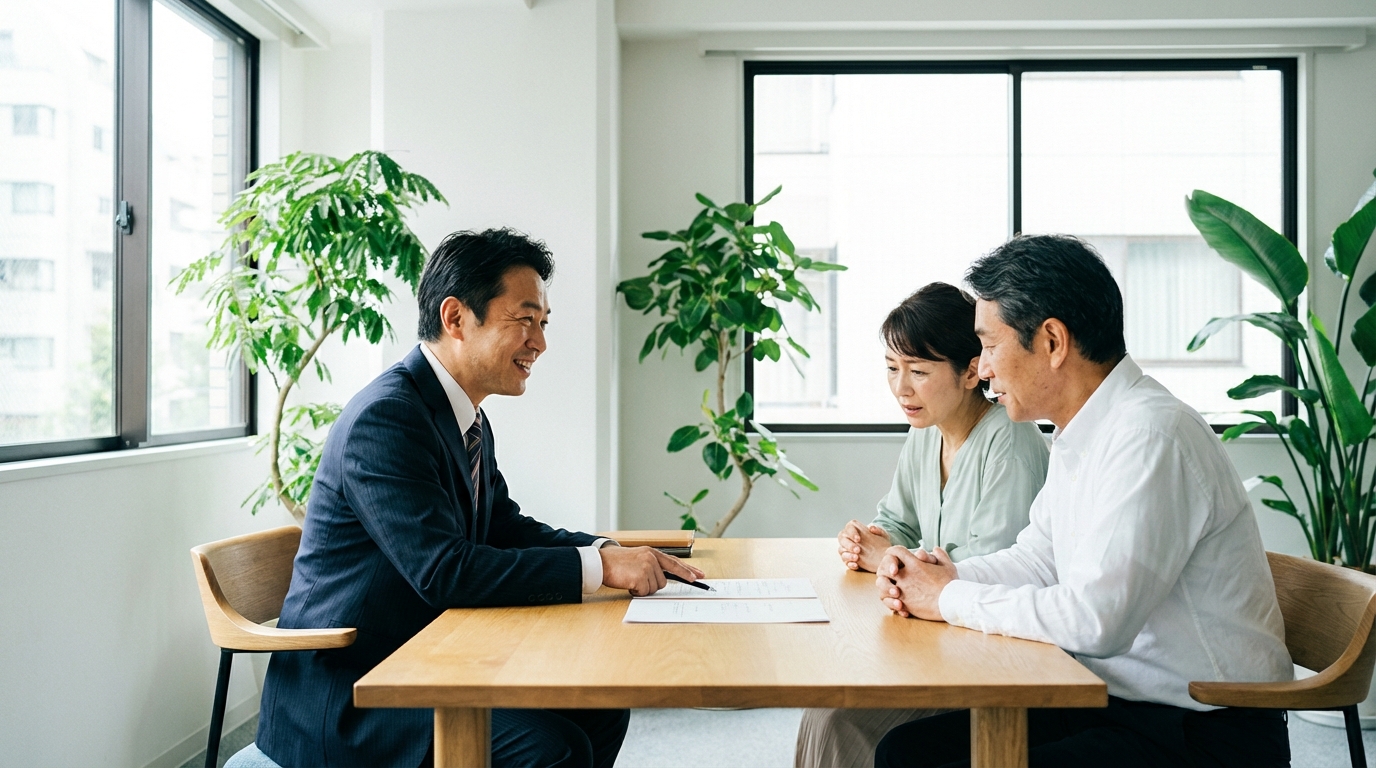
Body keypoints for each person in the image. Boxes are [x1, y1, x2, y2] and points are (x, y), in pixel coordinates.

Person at [256, 228, 704, 768]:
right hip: (357, 693)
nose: (539, 342)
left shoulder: (464, 416)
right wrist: (601, 567)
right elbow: (444, 570)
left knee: (602, 707)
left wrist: (610, 550)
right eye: (525, 321)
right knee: (550, 749)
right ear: (455, 318)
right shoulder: (388, 417)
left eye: (543, 324)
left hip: (429, 658)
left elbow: (504, 527)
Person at [872, 235, 1293, 768]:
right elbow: (1038, 559)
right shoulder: (1082, 433)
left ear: (1052, 342)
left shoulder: (1151, 435)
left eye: (990, 345)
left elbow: (1097, 619)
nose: (983, 368)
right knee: (905, 753)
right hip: (1110, 701)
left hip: (1200, 731)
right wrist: (938, 577)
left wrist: (947, 599)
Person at [795, 282, 1050, 768]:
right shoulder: (925, 431)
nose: (901, 388)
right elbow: (895, 523)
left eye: (918, 371)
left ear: (972, 370)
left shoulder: (1011, 441)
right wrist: (869, 541)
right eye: (892, 369)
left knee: (837, 720)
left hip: (992, 655)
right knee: (823, 710)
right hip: (936, 636)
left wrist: (889, 557)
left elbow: (987, 569)